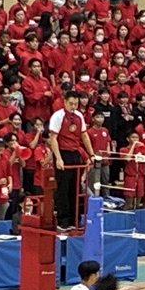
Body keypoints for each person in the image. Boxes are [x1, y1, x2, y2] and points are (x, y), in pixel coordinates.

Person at [49, 92, 97, 232]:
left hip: (75, 153)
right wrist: (58, 158)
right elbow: (53, 139)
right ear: (64, 102)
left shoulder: (79, 116)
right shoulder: (57, 116)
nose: (73, 106)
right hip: (63, 152)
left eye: (75, 104)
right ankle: (63, 221)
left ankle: (74, 220)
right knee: (63, 189)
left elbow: (84, 136)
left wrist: (91, 154)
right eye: (71, 103)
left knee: (75, 188)